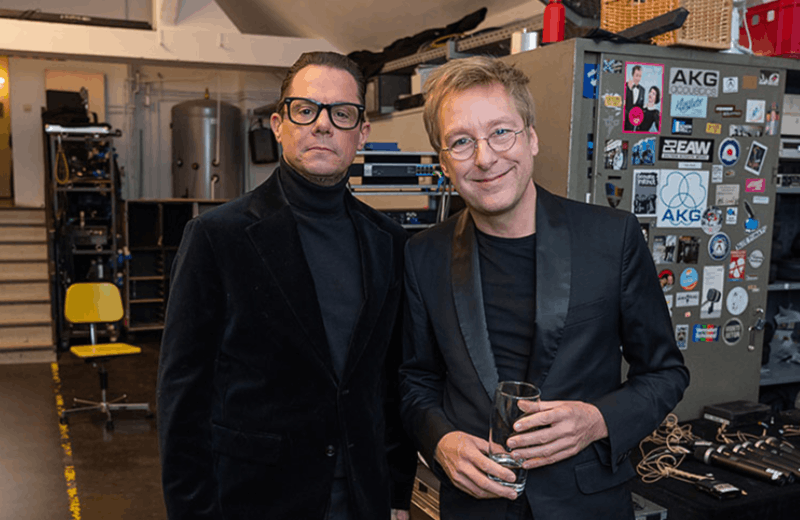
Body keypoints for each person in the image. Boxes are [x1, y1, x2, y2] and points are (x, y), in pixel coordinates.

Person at [399, 56, 689, 520]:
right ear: (444, 164)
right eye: (461, 141)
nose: (484, 158)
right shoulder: (422, 254)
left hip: (586, 506)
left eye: (501, 132)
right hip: (475, 508)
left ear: (531, 138)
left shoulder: (612, 237)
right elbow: (415, 380)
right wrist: (441, 441)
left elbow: (666, 373)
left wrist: (597, 421)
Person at [157, 51, 417, 520]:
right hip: (255, 498)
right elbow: (183, 393)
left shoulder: (390, 242)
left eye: (341, 113)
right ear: (278, 125)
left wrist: (398, 493)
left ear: (362, 132)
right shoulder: (218, 237)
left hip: (363, 497)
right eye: (305, 109)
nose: (323, 125)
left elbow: (392, 380)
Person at [624, 65, 645, 131]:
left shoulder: (642, 90)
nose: (638, 78)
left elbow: (641, 106)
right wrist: (630, 89)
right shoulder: (625, 86)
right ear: (632, 75)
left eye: (640, 76)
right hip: (623, 120)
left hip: (634, 121)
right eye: (637, 75)